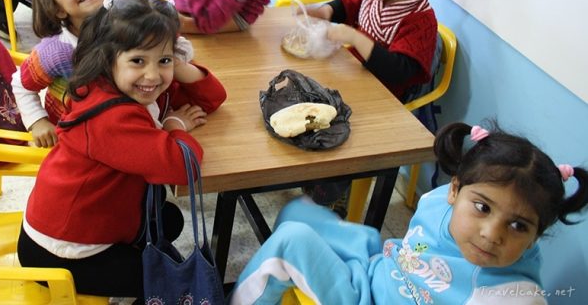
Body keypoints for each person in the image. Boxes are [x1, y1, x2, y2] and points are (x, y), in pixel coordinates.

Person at [231, 122, 588, 305]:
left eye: (518, 225)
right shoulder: (437, 201)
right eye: (482, 207)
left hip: (366, 298)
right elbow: (416, 245)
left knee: (291, 243)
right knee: (298, 212)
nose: (492, 233)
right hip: (382, 265)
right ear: (455, 189)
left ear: (535, 236)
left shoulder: (512, 295)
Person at [17, 0, 227, 299]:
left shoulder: (127, 85)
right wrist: (174, 126)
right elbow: (185, 166)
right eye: (138, 60)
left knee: (169, 219)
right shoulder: (112, 116)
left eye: (163, 60)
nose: (152, 75)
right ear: (108, 58)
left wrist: (177, 65)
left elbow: (213, 98)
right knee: (173, 284)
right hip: (62, 253)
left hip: (80, 222)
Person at [304, 0, 441, 214]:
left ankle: (333, 194)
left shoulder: (420, 20)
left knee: (342, 137)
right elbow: (345, 4)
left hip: (383, 102)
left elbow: (397, 71)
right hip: (353, 80)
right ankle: (313, 174)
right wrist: (324, 11)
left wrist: (353, 37)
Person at [10, 0, 128, 147]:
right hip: (74, 136)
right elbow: (20, 84)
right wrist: (37, 121)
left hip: (120, 122)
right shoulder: (56, 52)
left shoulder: (133, 22)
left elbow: (171, 47)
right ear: (58, 10)